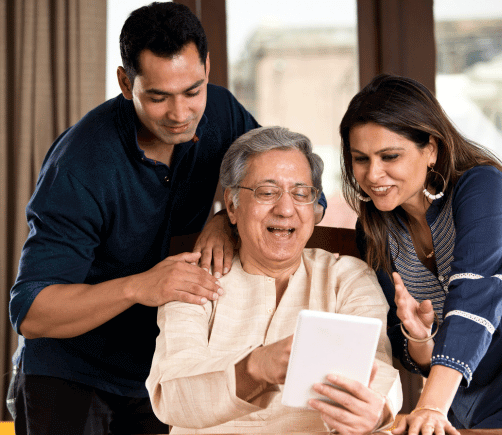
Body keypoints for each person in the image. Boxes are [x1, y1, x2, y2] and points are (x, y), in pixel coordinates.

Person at [8, 3, 326, 434]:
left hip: (160, 368)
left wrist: (223, 219)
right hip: (72, 372)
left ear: (207, 69)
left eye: (192, 91)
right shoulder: (80, 164)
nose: (180, 113)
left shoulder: (223, 114)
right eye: (158, 97)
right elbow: (31, 311)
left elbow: (309, 200)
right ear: (125, 82)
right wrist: (141, 286)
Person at [146, 126, 403, 434]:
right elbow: (172, 397)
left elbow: (378, 371)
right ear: (231, 205)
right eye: (267, 193)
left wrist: (376, 413)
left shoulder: (347, 277)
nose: (285, 209)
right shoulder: (193, 279)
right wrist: (255, 368)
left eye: (300, 193)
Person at [339, 73, 502, 432]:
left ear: (432, 150)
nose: (373, 174)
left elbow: (474, 299)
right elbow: (413, 353)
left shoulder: (486, 188)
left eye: (389, 156)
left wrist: (431, 407)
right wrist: (421, 338)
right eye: (360, 159)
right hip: (469, 416)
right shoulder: (376, 231)